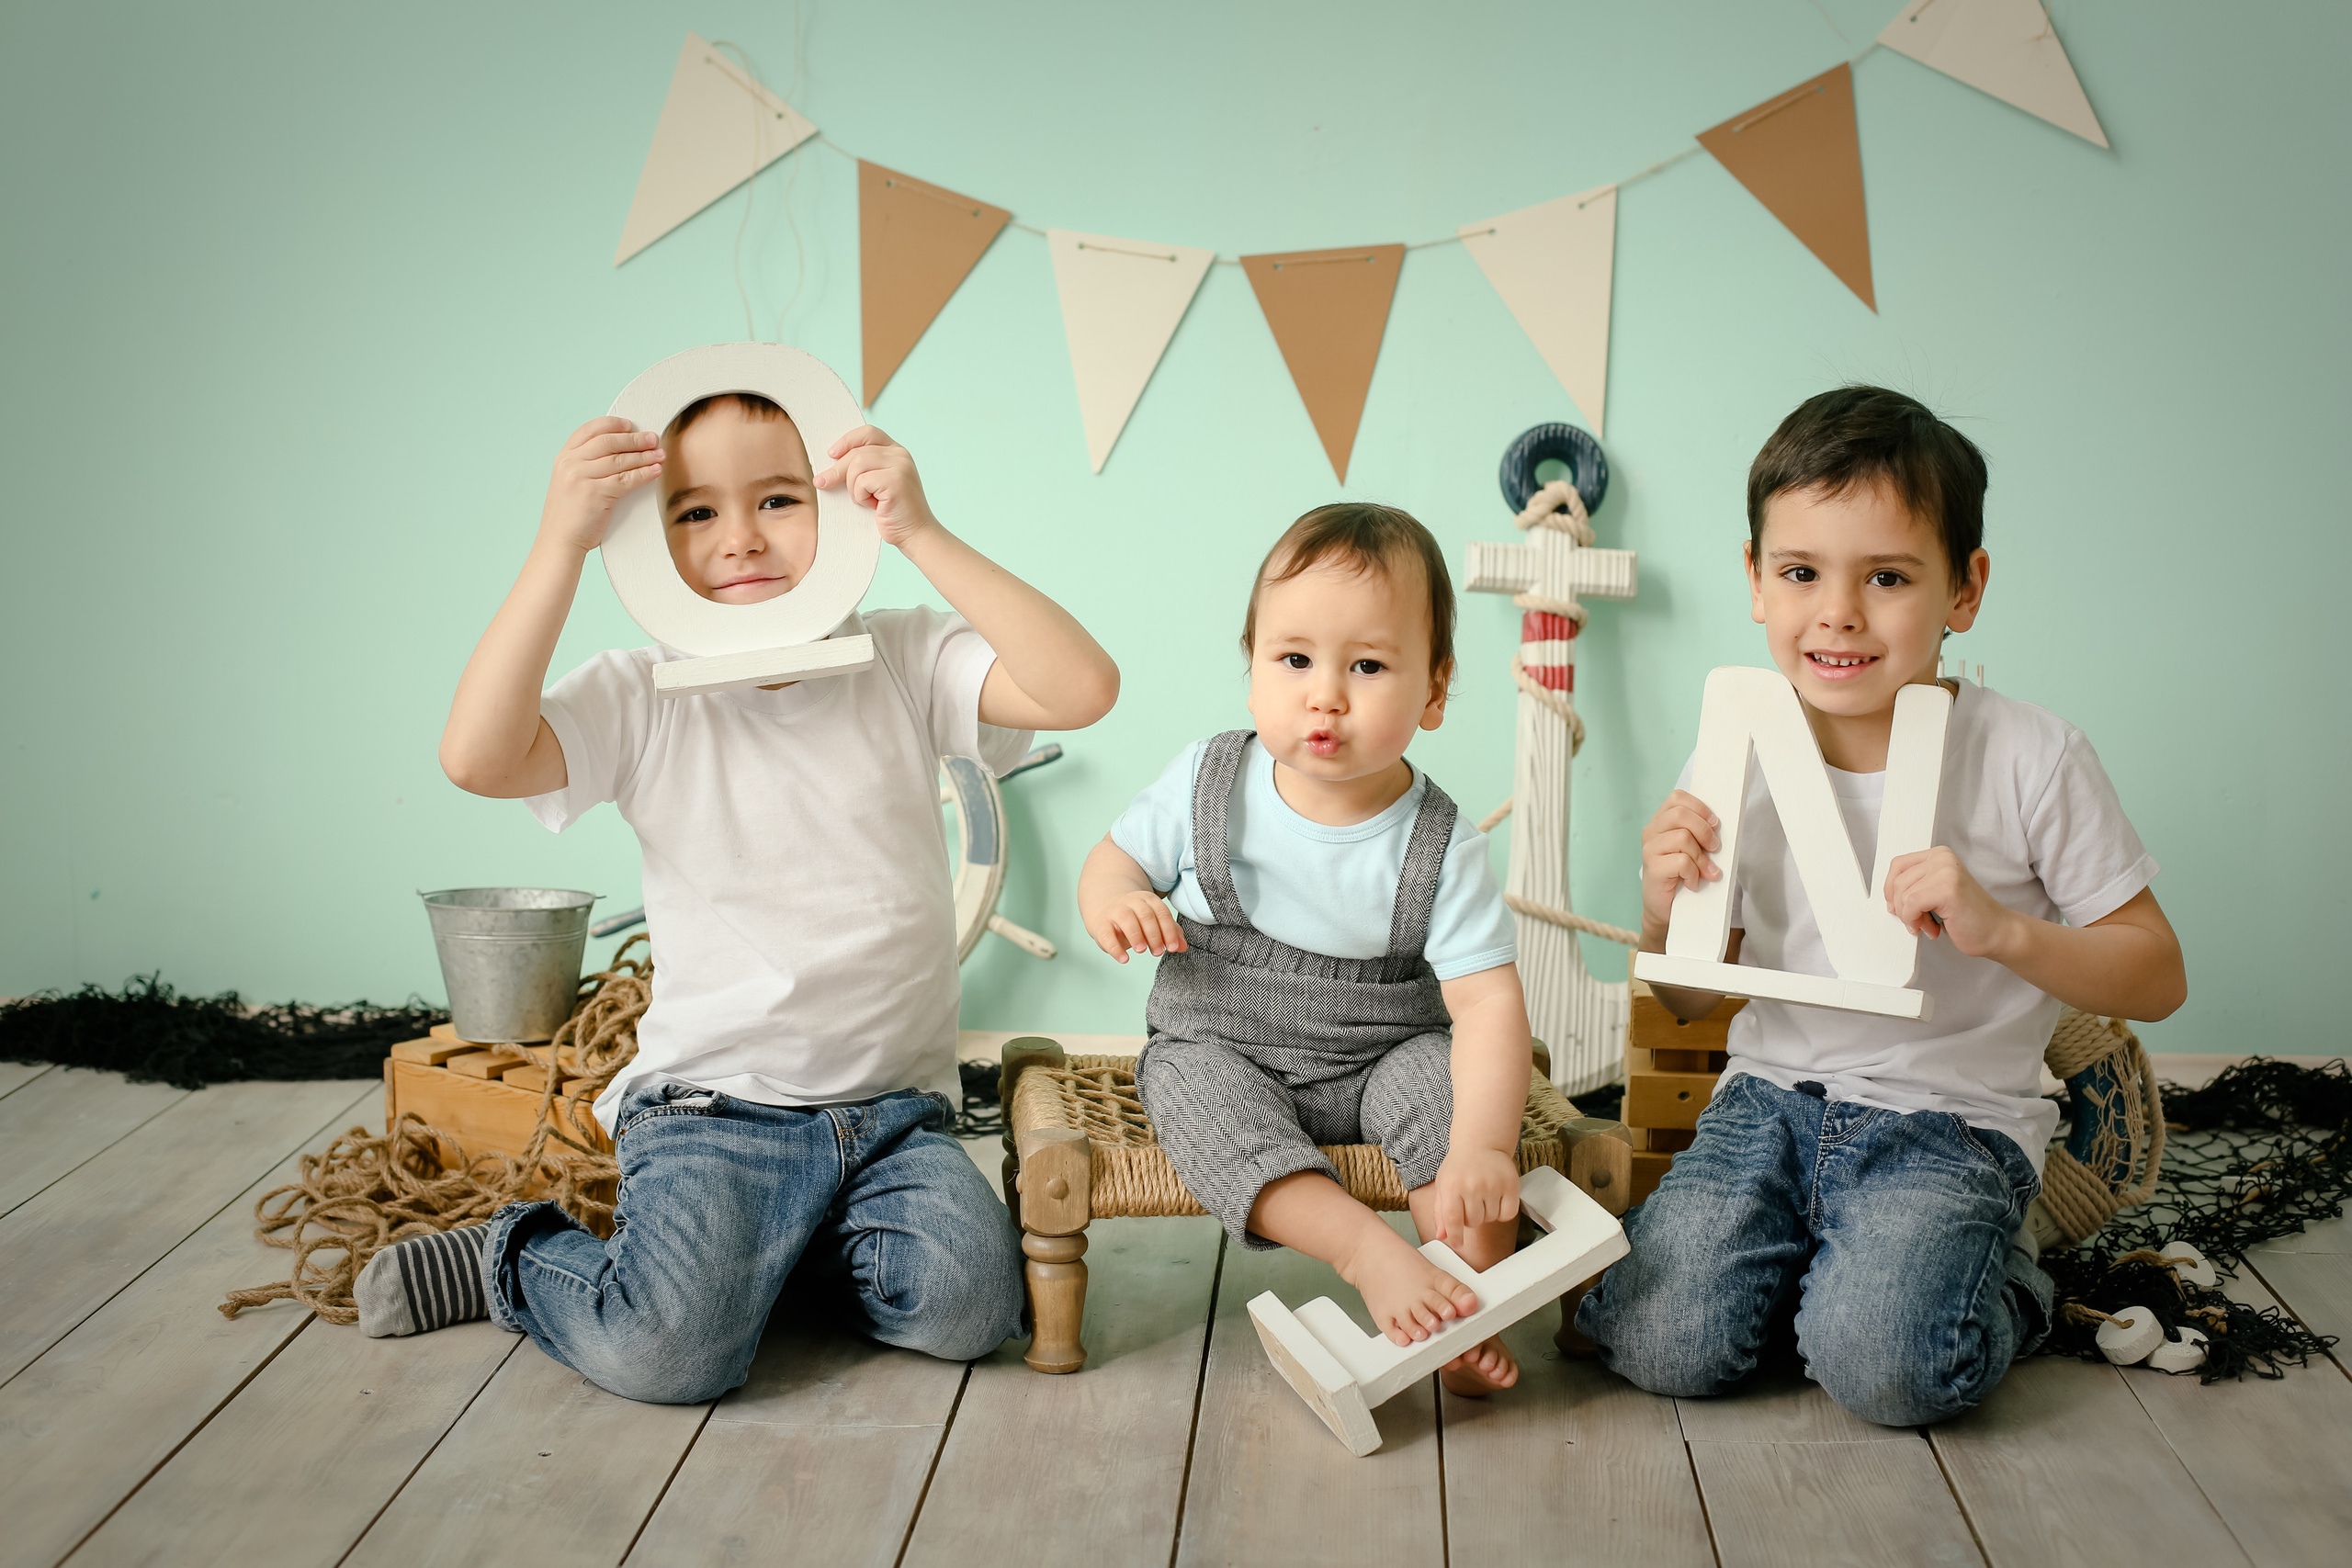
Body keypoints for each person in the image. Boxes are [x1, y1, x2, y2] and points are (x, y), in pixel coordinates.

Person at [356, 389, 1118, 1404]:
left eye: (780, 499)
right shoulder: (636, 693)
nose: (742, 540)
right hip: (711, 1111)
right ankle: (512, 1255)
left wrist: (922, 531)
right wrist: (558, 547)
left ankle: (752, 1272)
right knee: (666, 1357)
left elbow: (1082, 689)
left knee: (970, 1310)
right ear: (644, 542)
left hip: (891, 1115)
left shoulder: (903, 654)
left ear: (839, 507)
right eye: (695, 512)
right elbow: (478, 758)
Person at [1578, 386, 2187, 1426]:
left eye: (1889, 577)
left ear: (1965, 589)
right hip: (1766, 1104)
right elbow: (1683, 1006)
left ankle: (2012, 1279)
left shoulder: (2029, 756)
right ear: (1755, 582)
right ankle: (1819, 1273)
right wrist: (1655, 907)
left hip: (1951, 1127)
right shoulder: (1741, 748)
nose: (1839, 612)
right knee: (1660, 1343)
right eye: (1802, 572)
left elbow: (2156, 973)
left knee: (1890, 1374)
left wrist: (2003, 930)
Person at [1079, 502, 1532, 1396]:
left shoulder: (1440, 844)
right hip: (1224, 1046)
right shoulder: (1210, 780)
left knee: (1451, 1109)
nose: (1324, 694)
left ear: (1434, 691)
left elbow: (1487, 1005)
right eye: (1293, 661)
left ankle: (1471, 1299)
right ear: (1252, 670)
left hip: (1379, 1055)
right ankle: (1369, 1255)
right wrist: (1119, 898)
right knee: (1199, 1104)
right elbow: (1113, 858)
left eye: (1366, 666)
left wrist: (1484, 1146)